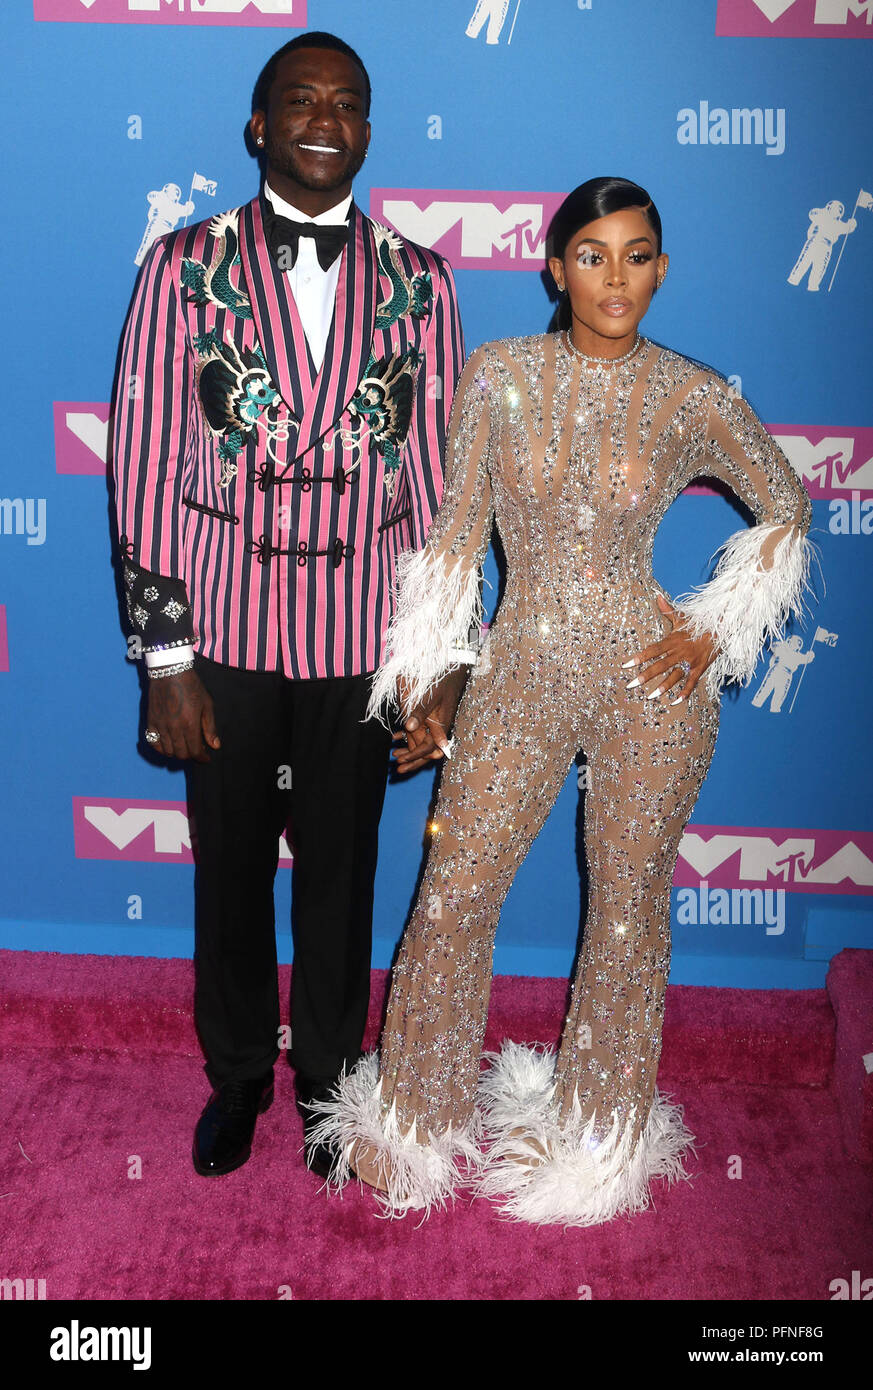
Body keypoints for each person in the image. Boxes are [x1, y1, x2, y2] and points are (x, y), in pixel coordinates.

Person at [306, 177, 815, 1226]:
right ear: (555, 267)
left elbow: (787, 502)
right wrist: (432, 679)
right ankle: (414, 1114)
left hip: (649, 684)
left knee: (626, 917)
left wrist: (714, 628)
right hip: (521, 668)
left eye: (637, 255)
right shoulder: (496, 377)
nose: (615, 276)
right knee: (452, 891)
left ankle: (596, 1133)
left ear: (662, 269)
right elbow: (454, 540)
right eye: (593, 254)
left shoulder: (695, 394)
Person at [111, 32, 465, 1180]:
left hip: (363, 637)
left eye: (349, 102)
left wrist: (441, 656)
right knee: (227, 868)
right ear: (257, 125)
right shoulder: (183, 267)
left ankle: (323, 1076)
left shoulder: (422, 280)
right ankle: (237, 1078)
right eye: (300, 99)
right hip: (223, 633)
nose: (326, 116)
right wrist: (166, 657)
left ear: (370, 130)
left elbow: (444, 488)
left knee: (344, 868)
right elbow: (151, 464)